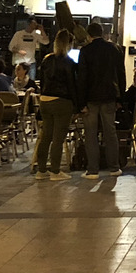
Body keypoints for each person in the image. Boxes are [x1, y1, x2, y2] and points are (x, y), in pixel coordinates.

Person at [32, 30, 83, 180]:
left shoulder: (47, 60)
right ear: (69, 44)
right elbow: (72, 86)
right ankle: (55, 171)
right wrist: (77, 106)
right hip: (62, 102)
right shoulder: (70, 63)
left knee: (45, 136)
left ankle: (41, 170)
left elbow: (41, 81)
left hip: (45, 100)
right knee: (58, 138)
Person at [78, 21, 127, 177]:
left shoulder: (85, 51)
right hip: (109, 96)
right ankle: (114, 167)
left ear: (89, 35)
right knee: (110, 132)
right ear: (103, 33)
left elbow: (82, 78)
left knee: (90, 133)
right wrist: (121, 99)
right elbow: (121, 75)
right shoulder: (114, 49)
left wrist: (81, 103)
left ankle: (93, 169)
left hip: (91, 98)